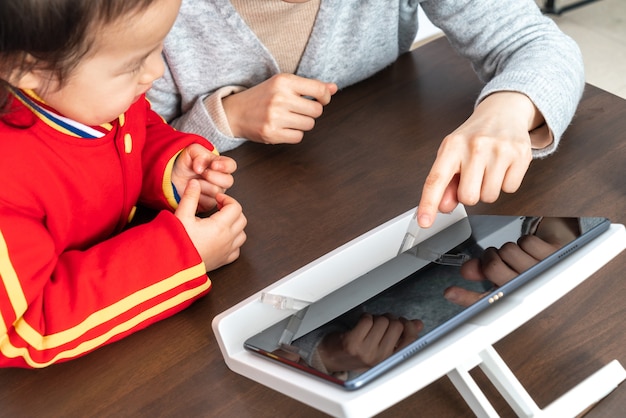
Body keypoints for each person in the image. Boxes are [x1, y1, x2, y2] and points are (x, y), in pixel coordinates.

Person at [147, 0, 585, 229]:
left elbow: (536, 43)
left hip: (375, 201)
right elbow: (120, 151)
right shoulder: (153, 14)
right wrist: (223, 119)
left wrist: (507, 108)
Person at [0, 0, 247, 368]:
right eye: (133, 63)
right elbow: (22, 331)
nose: (157, 72)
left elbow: (134, 128)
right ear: (26, 68)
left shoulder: (82, 91)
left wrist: (171, 168)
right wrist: (180, 254)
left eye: (158, 46)